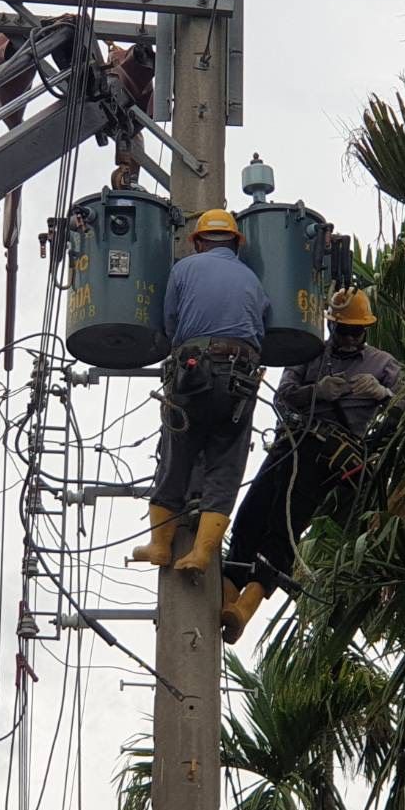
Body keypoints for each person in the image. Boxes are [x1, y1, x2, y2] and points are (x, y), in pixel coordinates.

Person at [219, 288, 404, 643]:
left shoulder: (381, 364)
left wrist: (384, 395)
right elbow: (282, 397)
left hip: (325, 456)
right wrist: (317, 391)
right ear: (332, 326)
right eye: (344, 331)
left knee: (283, 526)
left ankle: (245, 608)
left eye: (357, 332)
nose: (350, 339)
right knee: (250, 516)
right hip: (290, 444)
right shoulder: (309, 353)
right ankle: (226, 597)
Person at [131, 208, 270, 574]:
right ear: (235, 244)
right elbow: (262, 327)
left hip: (194, 372)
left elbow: (170, 323)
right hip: (241, 379)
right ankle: (202, 554)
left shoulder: (183, 270)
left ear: (198, 243)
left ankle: (161, 545)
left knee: (177, 455)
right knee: (225, 465)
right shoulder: (252, 280)